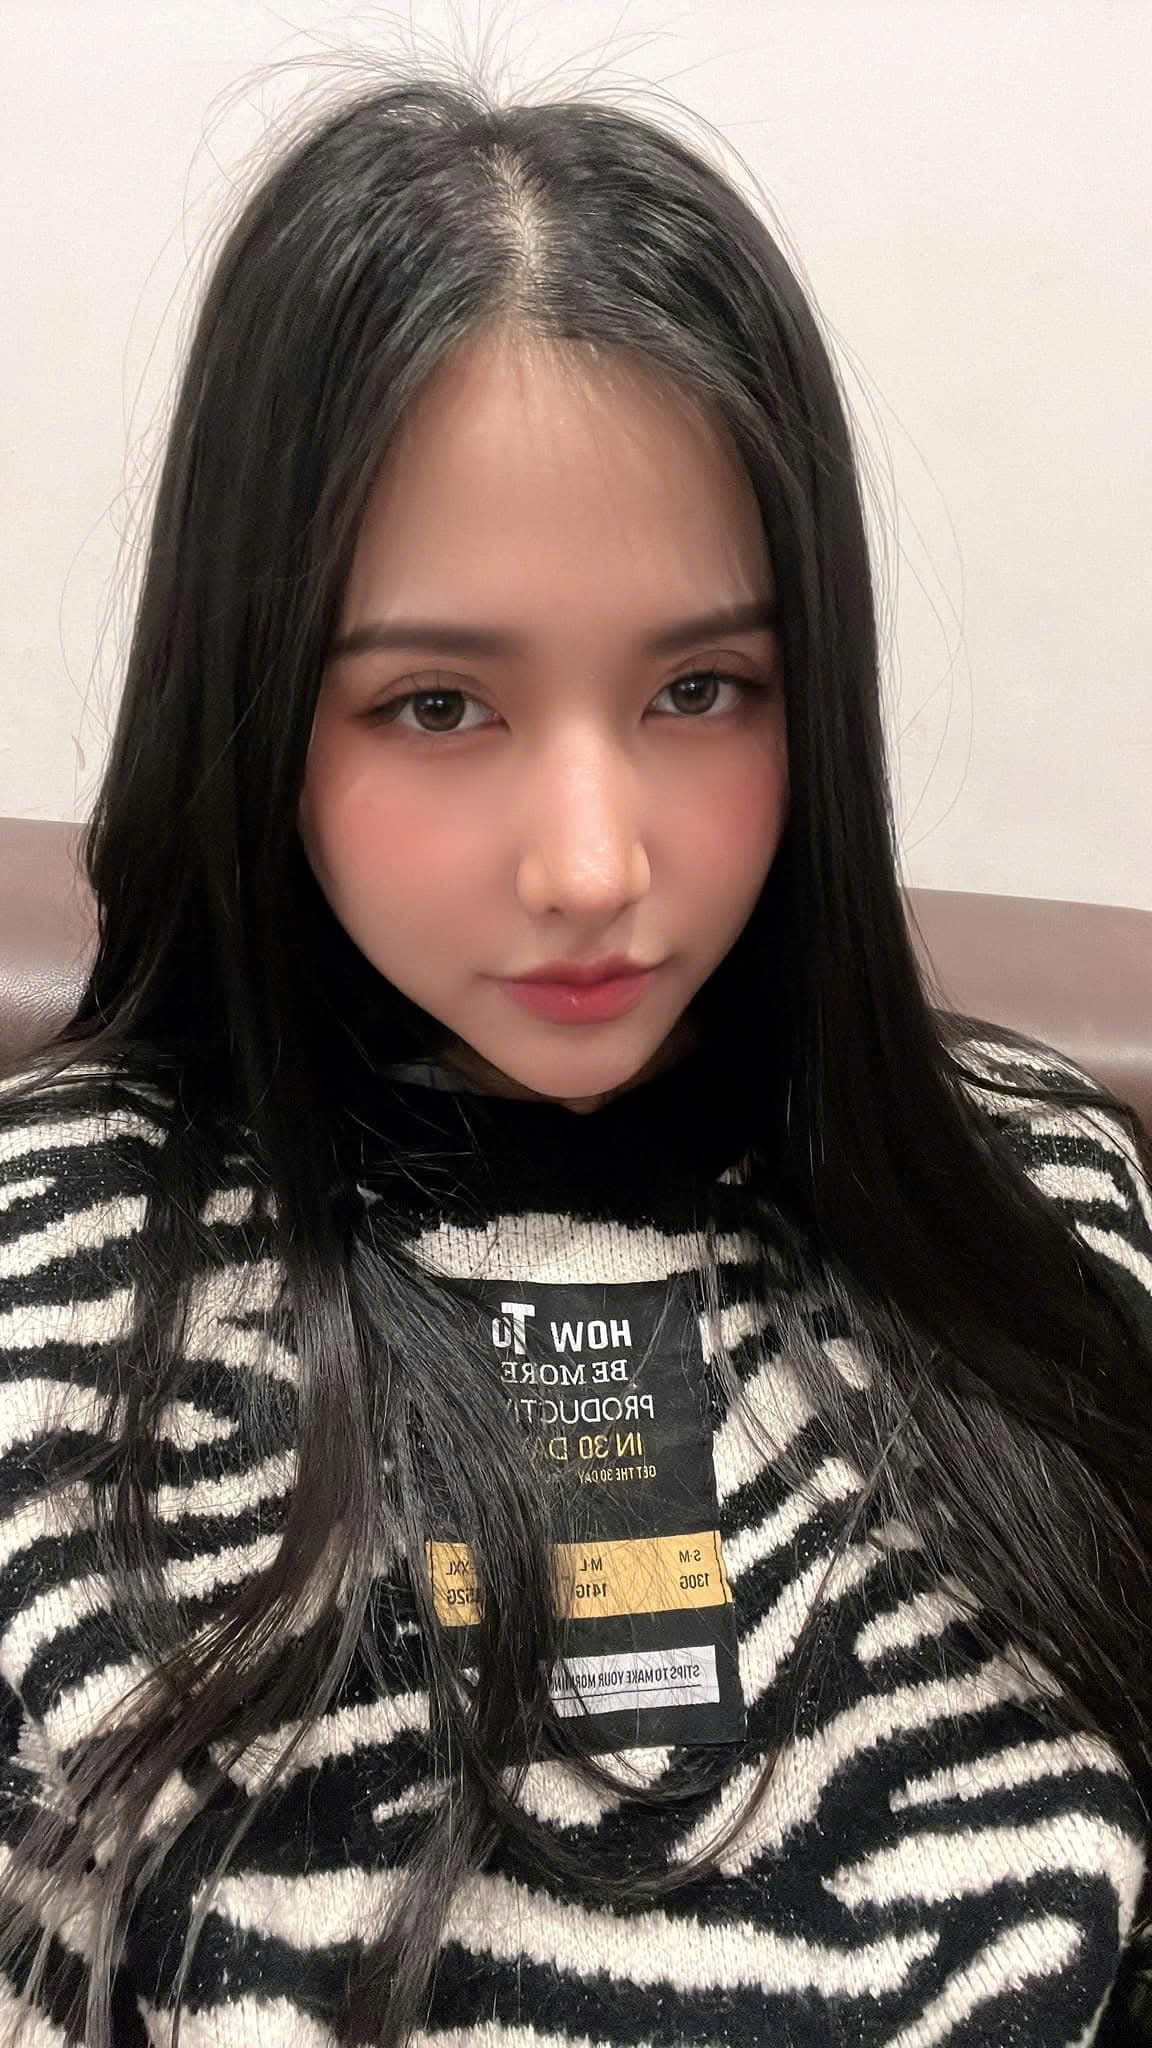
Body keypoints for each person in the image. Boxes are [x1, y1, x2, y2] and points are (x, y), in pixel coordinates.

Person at [0, 67, 1149, 2048]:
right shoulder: (46, 1278)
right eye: (440, 705)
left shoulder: (1047, 1202)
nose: (596, 866)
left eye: (702, 687)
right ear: (259, 706)